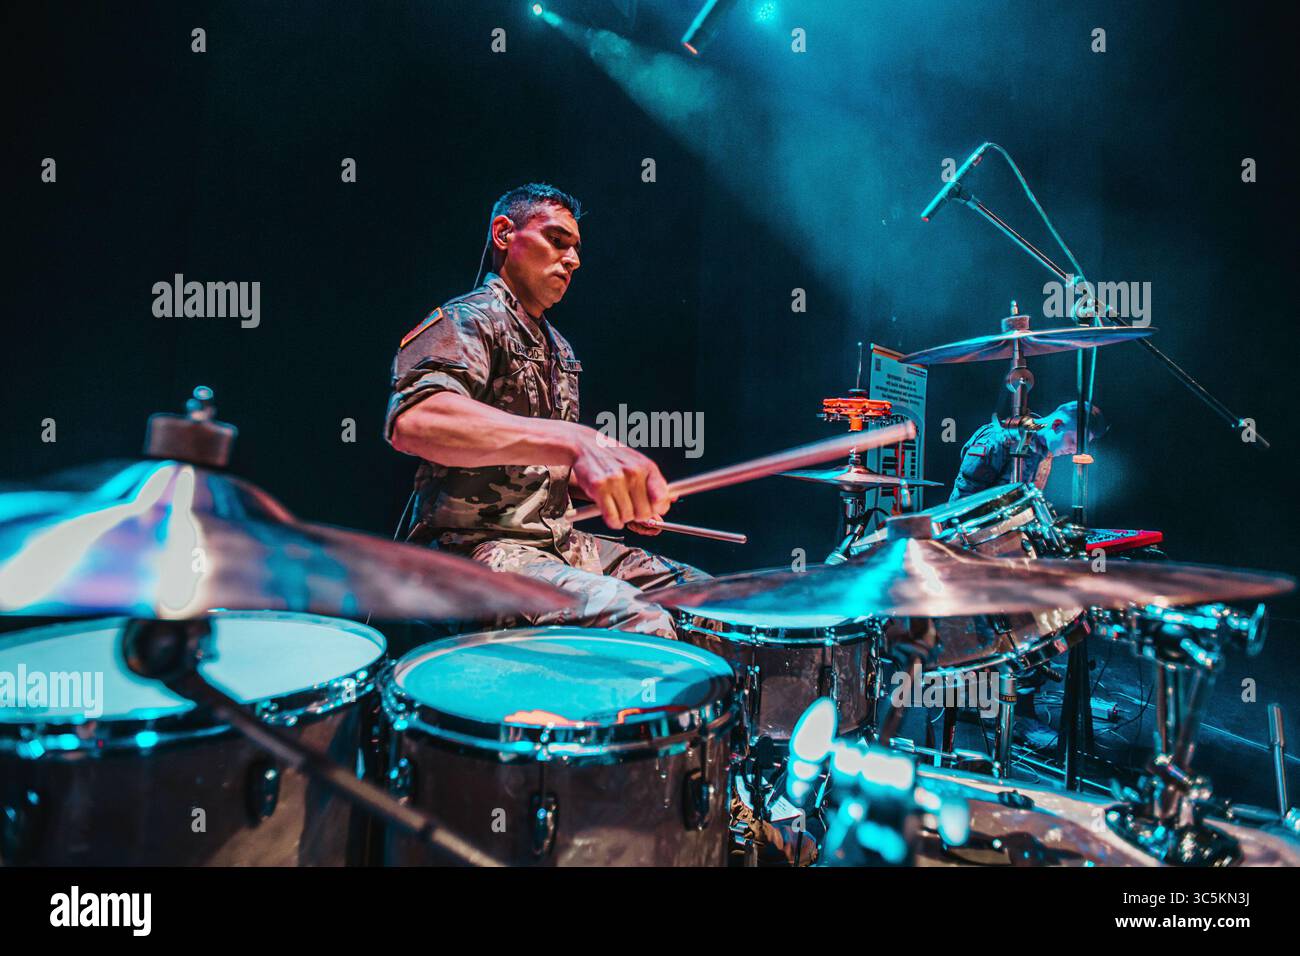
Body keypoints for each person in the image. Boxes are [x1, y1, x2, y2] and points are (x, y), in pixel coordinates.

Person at [384, 183, 707, 639]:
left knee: (707, 599)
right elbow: (415, 422)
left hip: (558, 543)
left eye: (575, 249)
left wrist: (610, 489)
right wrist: (575, 440)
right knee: (635, 616)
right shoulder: (468, 320)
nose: (573, 260)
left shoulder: (560, 349)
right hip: (473, 552)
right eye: (557, 241)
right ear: (503, 234)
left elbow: (541, 467)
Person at [949, 401, 1107, 501]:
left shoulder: (1045, 450)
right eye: (1073, 441)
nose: (1073, 451)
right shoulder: (997, 440)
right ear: (1057, 425)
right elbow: (961, 503)